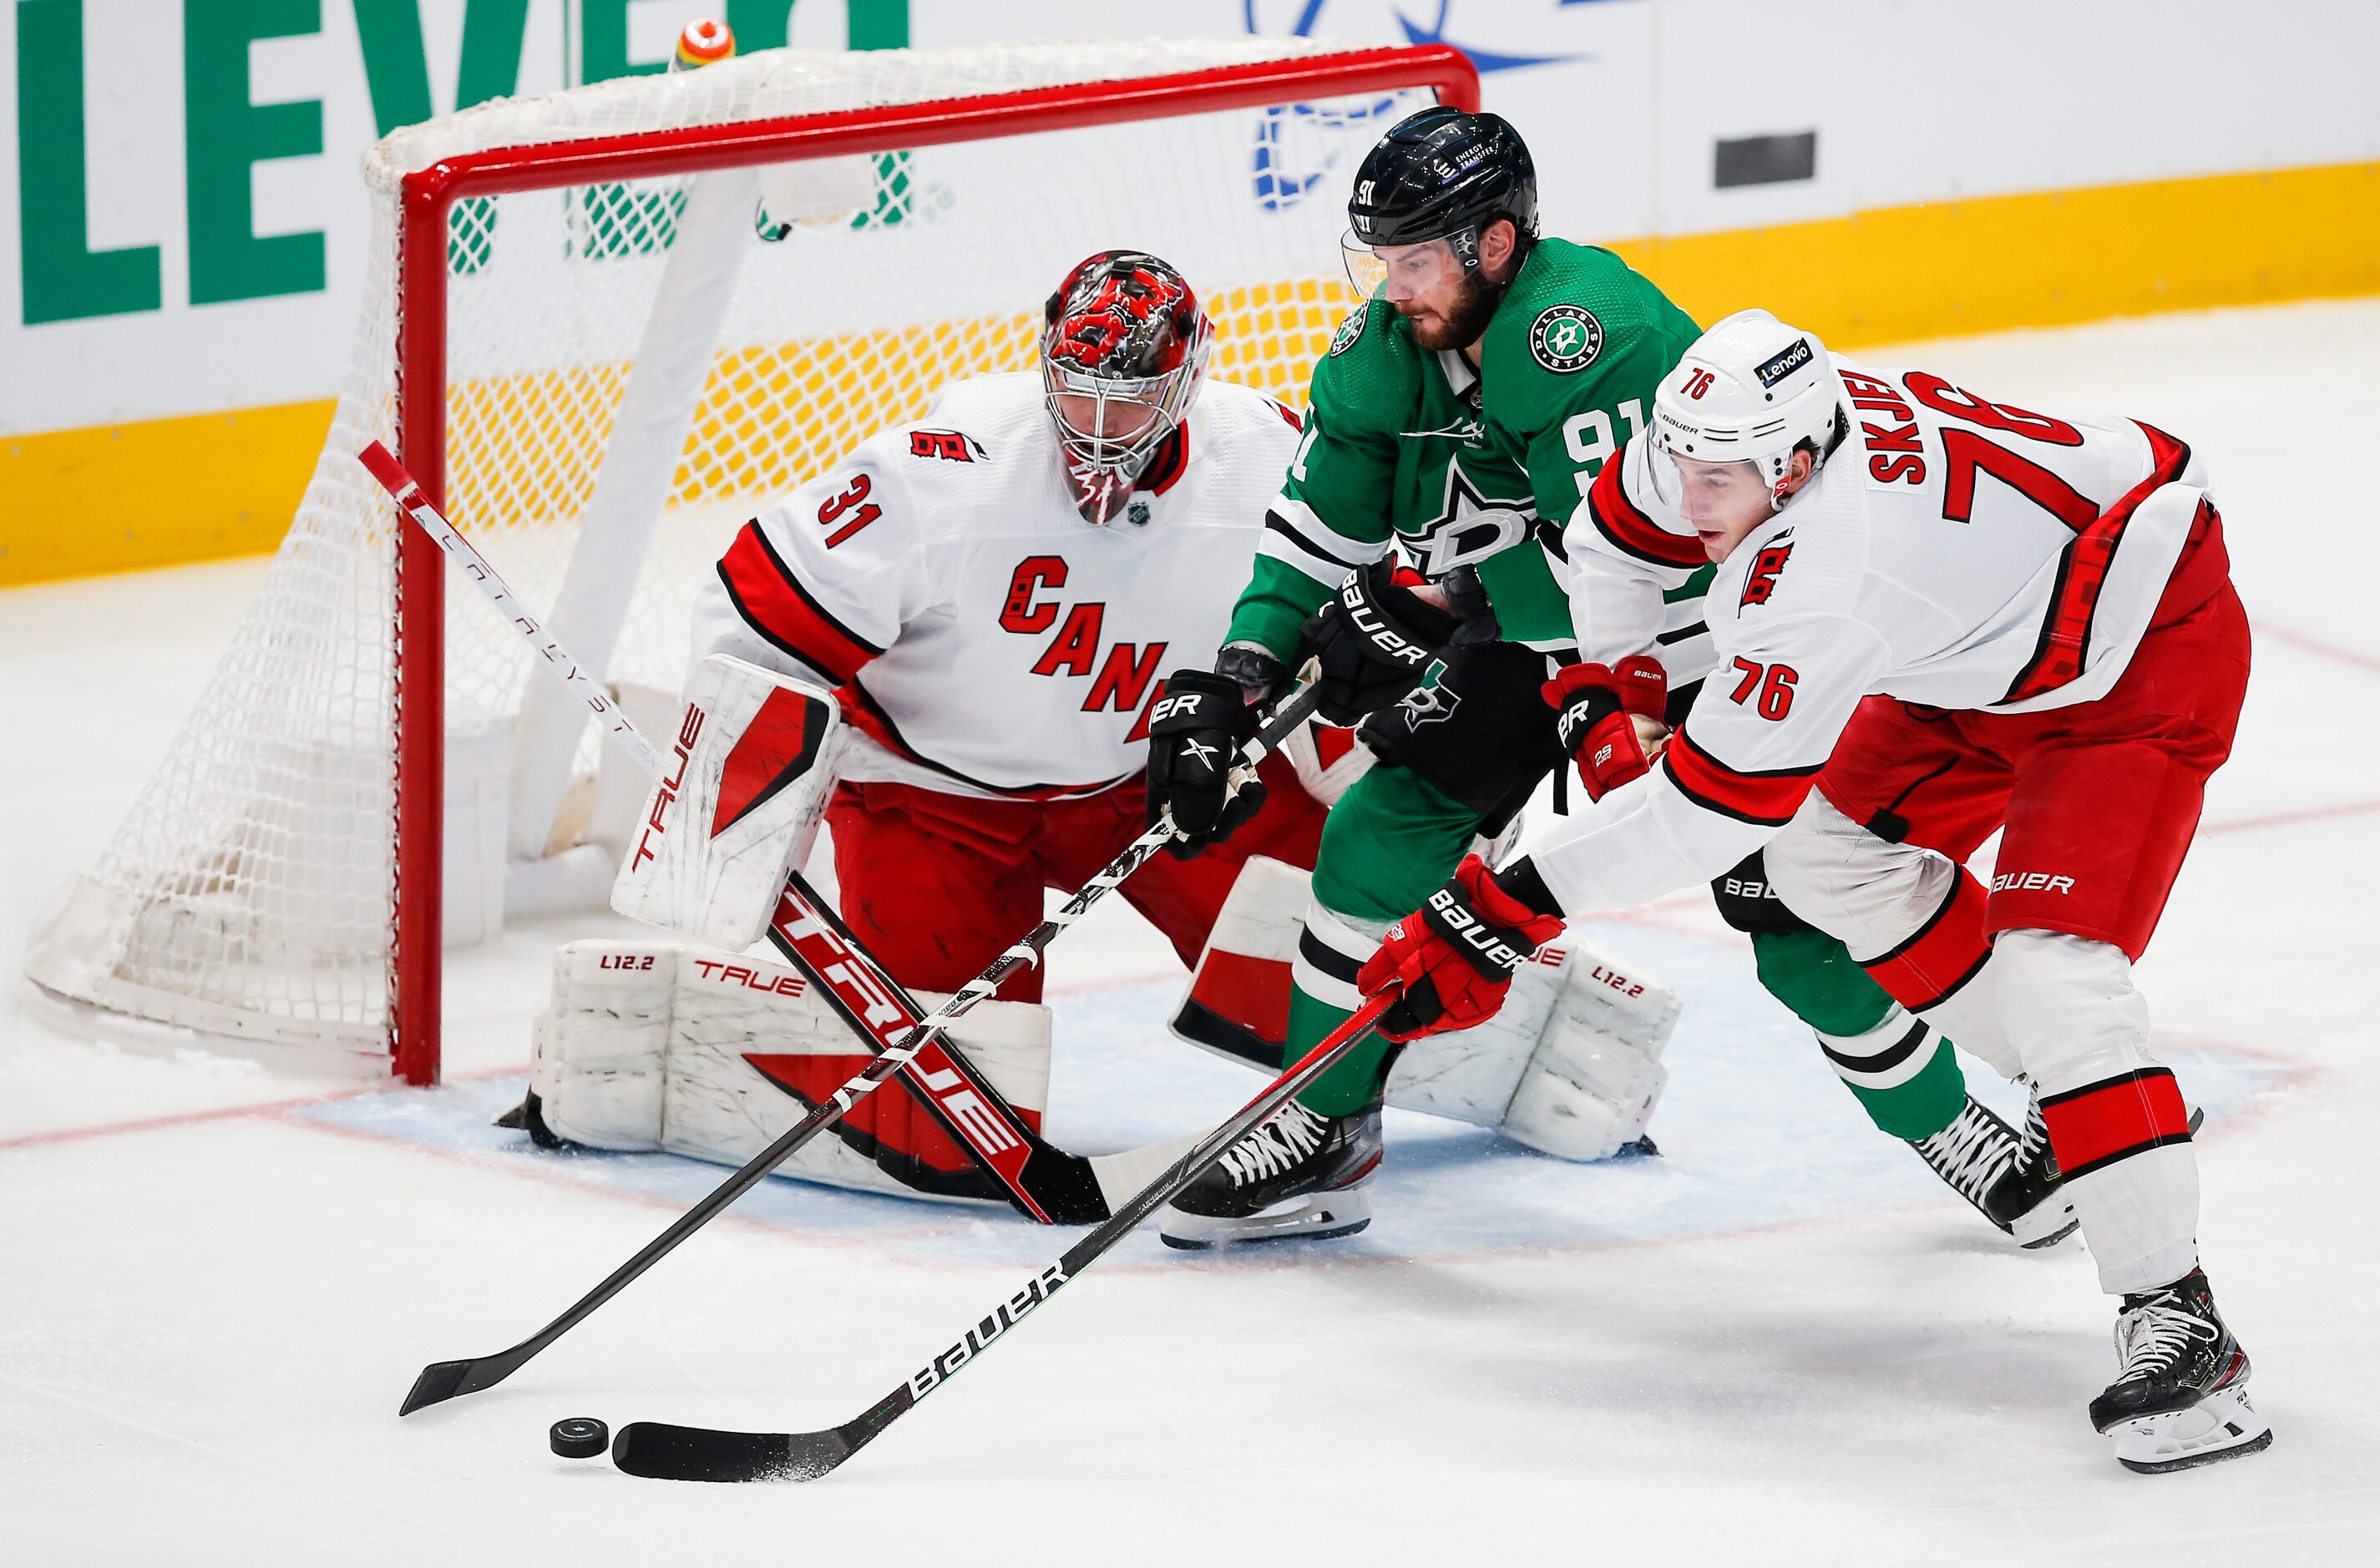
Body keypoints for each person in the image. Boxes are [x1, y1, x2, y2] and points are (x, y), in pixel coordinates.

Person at [1358, 308, 2266, 1473]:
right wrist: (1621, 699)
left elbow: (1702, 817)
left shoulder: (1832, 569)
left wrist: (1497, 903)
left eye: (1717, 478)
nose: (1689, 494)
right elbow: (1606, 544)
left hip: (2137, 643)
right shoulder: (1725, 430)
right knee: (1822, 861)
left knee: (2056, 969)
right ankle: (2102, 1099)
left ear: (1792, 467)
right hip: (1975, 644)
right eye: (1678, 460)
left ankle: (2184, 1326)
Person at [1146, 107, 2069, 1251]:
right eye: (1383, 261)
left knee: (1793, 930)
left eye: (1417, 260)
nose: (1393, 289)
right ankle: (1324, 1122)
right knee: (1380, 828)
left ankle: (1984, 1116)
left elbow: (1615, 560)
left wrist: (1437, 603)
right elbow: (1316, 524)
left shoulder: (1588, 333)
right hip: (1543, 637)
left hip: (1712, 649)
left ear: (1493, 244)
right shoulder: (1386, 352)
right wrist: (1239, 672)